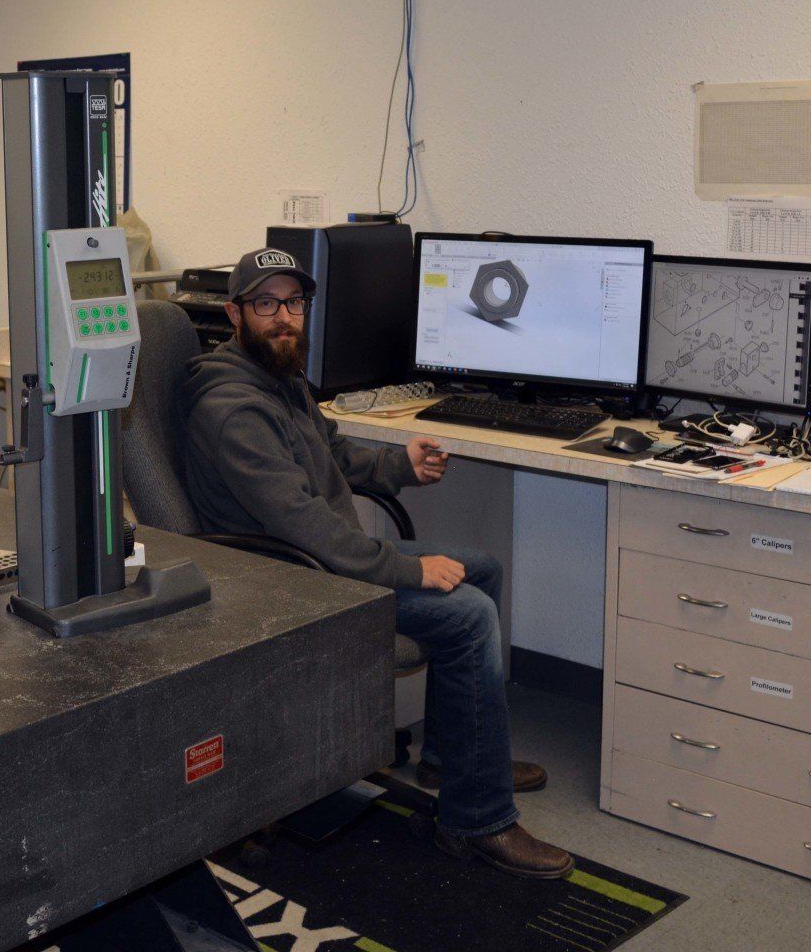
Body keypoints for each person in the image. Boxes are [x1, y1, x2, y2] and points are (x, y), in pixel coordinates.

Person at [179, 247, 575, 881]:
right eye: (265, 304)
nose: (284, 318)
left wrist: (399, 466)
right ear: (234, 313)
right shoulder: (232, 412)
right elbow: (305, 526)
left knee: (482, 568)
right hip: (292, 579)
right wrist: (408, 571)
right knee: (468, 612)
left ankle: (453, 760)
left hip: (322, 556)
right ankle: (479, 820)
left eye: (294, 303)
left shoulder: (278, 378)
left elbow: (330, 453)